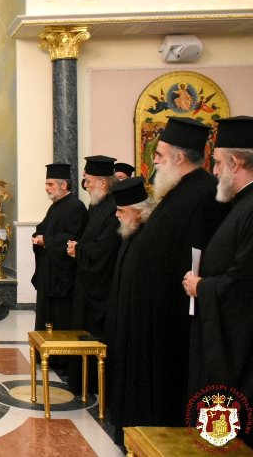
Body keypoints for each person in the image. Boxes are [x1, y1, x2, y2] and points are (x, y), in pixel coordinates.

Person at [132, 116, 225, 427]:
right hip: (159, 312)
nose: (154, 162)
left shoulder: (204, 194)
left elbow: (200, 256)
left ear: (179, 158)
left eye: (158, 155)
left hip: (176, 317)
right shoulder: (179, 189)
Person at [184, 116, 253, 448]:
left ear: (236, 163)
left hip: (240, 345)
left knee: (232, 433)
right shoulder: (241, 205)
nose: (213, 171)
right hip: (225, 331)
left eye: (218, 163)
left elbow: (244, 281)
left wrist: (202, 287)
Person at [103, 176, 154, 443]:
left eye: (121, 211)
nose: (117, 216)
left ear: (138, 212)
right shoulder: (130, 235)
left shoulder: (147, 240)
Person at [67, 155, 122, 390]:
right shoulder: (98, 206)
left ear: (101, 182)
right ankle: (84, 380)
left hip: (101, 289)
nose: (86, 186)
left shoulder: (112, 208)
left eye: (88, 181)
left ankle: (93, 383)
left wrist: (79, 249)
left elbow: (105, 248)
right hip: (87, 285)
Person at [31, 163, 87, 332]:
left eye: (50, 184)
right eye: (46, 184)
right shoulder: (56, 206)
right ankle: (47, 357)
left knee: (61, 320)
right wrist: (38, 237)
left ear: (63, 185)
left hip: (63, 279)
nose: (47, 188)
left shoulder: (76, 207)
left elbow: (71, 238)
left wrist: (46, 241)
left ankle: (60, 358)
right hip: (49, 276)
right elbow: (43, 228)